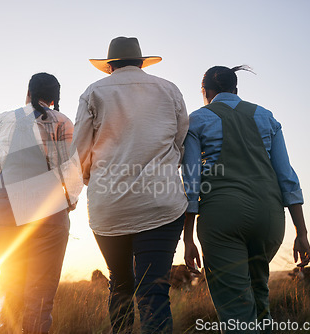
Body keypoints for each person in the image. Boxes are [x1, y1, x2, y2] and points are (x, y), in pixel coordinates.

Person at [72, 36, 189, 333]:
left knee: (121, 284)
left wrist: (92, 179)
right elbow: (180, 142)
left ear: (110, 66)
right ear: (140, 62)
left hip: (109, 207)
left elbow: (79, 152)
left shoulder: (93, 92)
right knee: (154, 290)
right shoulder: (169, 89)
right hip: (161, 205)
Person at [182, 65, 310, 333]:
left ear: (205, 92)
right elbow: (286, 176)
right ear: (236, 89)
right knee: (259, 294)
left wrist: (188, 238)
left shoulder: (196, 120)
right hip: (270, 218)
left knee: (237, 311)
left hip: (222, 218)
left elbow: (191, 182)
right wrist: (302, 231)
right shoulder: (266, 117)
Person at [0, 73, 82, 334]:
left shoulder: (6, 118)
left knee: (10, 285)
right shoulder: (63, 121)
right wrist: (69, 203)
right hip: (49, 212)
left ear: (28, 92)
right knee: (39, 295)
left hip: (7, 209)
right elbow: (72, 169)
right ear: (54, 98)